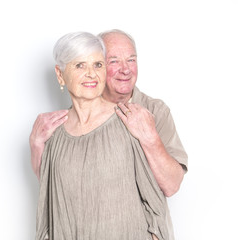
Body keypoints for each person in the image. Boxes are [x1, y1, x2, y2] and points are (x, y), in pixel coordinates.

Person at [35, 32, 173, 240]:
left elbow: (155, 206)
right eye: (80, 65)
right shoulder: (54, 134)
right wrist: (36, 144)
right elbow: (49, 209)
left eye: (98, 65)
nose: (91, 73)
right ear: (60, 74)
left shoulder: (129, 121)